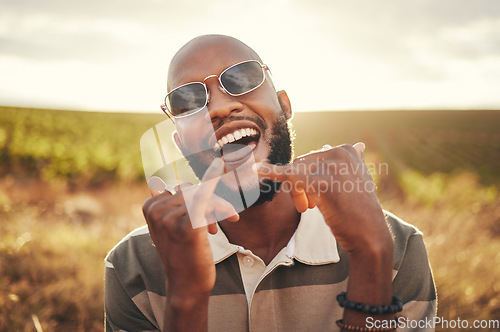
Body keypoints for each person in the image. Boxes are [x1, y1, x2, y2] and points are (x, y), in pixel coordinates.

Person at [105, 34, 436, 331]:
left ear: (285, 105)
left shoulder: (397, 247)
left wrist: (371, 255)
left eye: (241, 78)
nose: (219, 107)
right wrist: (185, 299)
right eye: (187, 99)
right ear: (180, 143)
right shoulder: (132, 267)